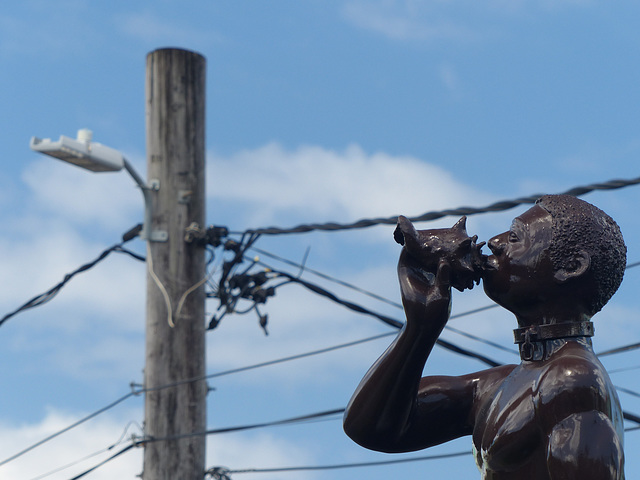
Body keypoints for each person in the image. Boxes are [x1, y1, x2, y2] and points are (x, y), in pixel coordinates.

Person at [343, 194, 626, 479]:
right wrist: (419, 329)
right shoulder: (497, 386)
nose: (494, 242)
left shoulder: (573, 380)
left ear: (572, 267)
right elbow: (372, 429)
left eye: (516, 237)